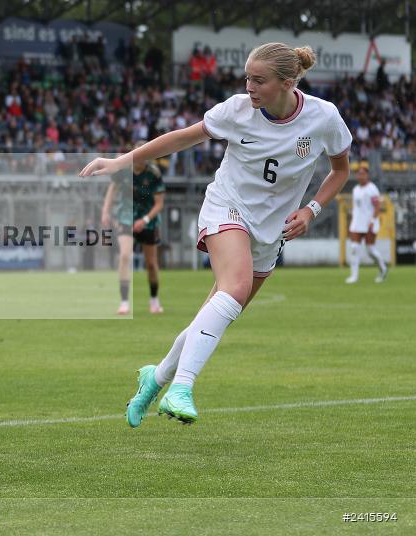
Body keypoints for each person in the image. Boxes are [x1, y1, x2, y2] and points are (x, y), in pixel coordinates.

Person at [81, 42, 351, 425]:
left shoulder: (324, 117)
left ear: (287, 83)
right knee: (235, 289)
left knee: (216, 313)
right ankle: (182, 388)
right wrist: (121, 161)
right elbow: (181, 137)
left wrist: (312, 209)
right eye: (247, 78)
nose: (249, 86)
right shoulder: (236, 110)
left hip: (270, 232)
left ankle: (154, 379)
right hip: (228, 207)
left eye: (259, 80)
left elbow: (340, 170)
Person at [101, 154, 165, 315]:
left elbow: (159, 204)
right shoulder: (122, 170)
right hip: (126, 218)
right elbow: (112, 189)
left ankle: (154, 300)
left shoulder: (154, 173)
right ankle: (124, 302)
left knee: (151, 264)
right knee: (124, 256)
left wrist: (144, 220)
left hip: (148, 221)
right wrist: (105, 211)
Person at [346, 166, 388, 283]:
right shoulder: (355, 189)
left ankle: (383, 269)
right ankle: (354, 276)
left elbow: (377, 207)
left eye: (363, 174)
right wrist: (352, 221)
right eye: (359, 174)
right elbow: (356, 208)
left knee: (370, 250)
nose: (361, 176)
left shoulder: (372, 189)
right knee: (354, 248)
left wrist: (372, 221)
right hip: (357, 223)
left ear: (367, 175)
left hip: (369, 222)